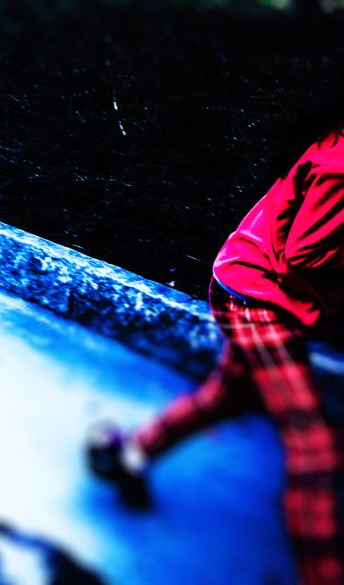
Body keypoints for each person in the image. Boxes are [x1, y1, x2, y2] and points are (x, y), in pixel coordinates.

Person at [87, 81, 344, 585]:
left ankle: (133, 454)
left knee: (228, 395)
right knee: (313, 446)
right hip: (258, 297)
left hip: (247, 281)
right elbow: (305, 254)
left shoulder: (336, 139)